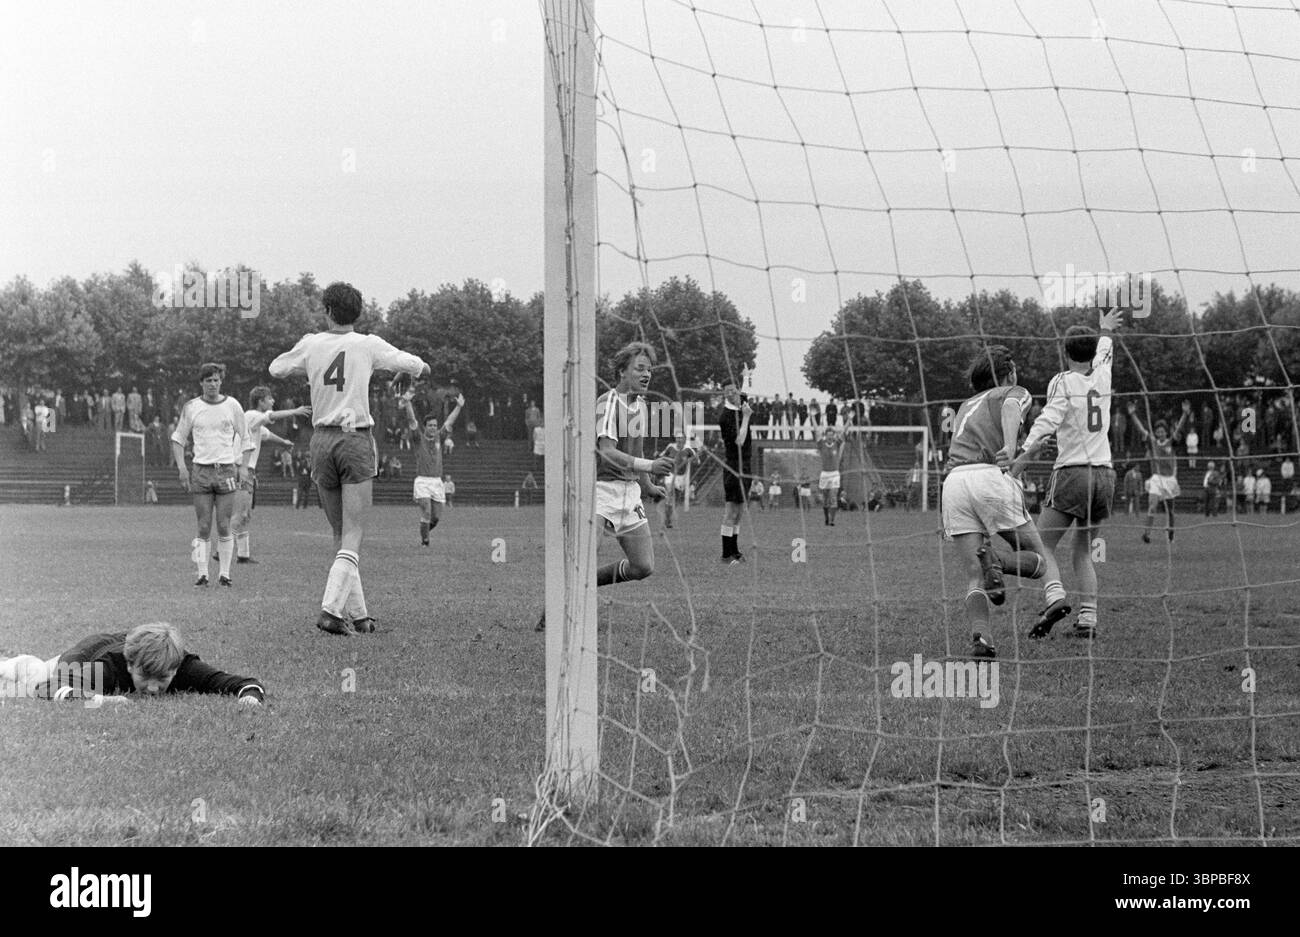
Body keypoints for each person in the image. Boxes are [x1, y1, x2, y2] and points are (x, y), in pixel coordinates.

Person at [269, 281, 429, 636]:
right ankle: (330, 610)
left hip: (320, 440)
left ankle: (359, 616)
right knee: (354, 533)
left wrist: (308, 366)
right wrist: (401, 370)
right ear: (357, 312)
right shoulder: (368, 344)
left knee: (340, 533)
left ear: (327, 310)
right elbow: (420, 366)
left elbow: (276, 368)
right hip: (354, 439)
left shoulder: (311, 343)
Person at [536, 342, 674, 632]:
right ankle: (556, 611)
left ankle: (583, 589)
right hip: (598, 490)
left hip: (628, 492)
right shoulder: (609, 402)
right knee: (585, 557)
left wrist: (647, 485)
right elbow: (608, 451)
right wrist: (649, 466)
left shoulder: (641, 406)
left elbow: (635, 448)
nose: (646, 374)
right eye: (640, 368)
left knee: (643, 567)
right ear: (622, 371)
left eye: (649, 369)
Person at [946, 346, 1064, 658]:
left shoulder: (965, 406)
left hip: (954, 483)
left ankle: (982, 639)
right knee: (1039, 560)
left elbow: (992, 463)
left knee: (974, 572)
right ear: (1008, 372)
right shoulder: (1014, 391)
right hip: (989, 480)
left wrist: (1028, 453)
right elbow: (1012, 409)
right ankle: (999, 562)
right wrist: (1013, 446)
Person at [1011, 309, 1121, 640]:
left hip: (1074, 472)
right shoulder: (1103, 375)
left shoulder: (1062, 382)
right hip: (1105, 476)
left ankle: (1055, 597)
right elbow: (1105, 350)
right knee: (1083, 550)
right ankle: (1088, 619)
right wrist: (1105, 330)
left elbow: (1047, 420)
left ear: (1065, 351)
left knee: (1041, 544)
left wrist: (1024, 453)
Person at [2, 622, 264, 705]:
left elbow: (241, 683)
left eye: (162, 679)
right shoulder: (107, 670)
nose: (152, 688)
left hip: (125, 644)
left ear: (174, 669)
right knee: (35, 676)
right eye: (145, 677)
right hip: (90, 650)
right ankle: (9, 664)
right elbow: (48, 689)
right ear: (130, 666)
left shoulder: (182, 666)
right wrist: (101, 700)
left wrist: (250, 696)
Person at [170, 363, 249, 587]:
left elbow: (246, 437)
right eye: (208, 380)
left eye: (216, 380)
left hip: (225, 470)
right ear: (201, 383)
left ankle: (225, 574)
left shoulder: (232, 405)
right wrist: (182, 468)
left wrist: (242, 466)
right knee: (203, 525)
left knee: (224, 524)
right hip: (201, 471)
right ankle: (202, 574)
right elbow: (178, 439)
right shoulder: (192, 407)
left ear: (221, 381)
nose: (213, 384)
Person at [231, 386, 309, 565]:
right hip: (241, 469)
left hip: (247, 471)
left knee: (245, 515)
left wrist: (283, 442)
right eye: (270, 399)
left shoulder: (254, 422)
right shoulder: (251, 415)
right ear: (260, 402)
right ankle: (222, 550)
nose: (272, 402)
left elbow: (266, 435)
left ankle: (243, 555)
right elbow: (271, 416)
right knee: (239, 515)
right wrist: (294, 411)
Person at [404, 391, 463, 545]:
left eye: (435, 425)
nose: (433, 427)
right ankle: (425, 542)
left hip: (437, 481)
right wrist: (407, 403)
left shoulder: (439, 437)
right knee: (427, 511)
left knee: (435, 517)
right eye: (430, 425)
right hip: (422, 481)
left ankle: (424, 532)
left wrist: (458, 407)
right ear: (425, 427)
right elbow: (411, 420)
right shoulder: (418, 438)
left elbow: (449, 422)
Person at [1129, 399, 1191, 542]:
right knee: (1152, 505)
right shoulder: (1152, 443)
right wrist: (1132, 415)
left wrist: (1185, 414)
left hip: (1169, 480)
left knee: (1170, 511)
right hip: (1157, 478)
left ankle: (1171, 534)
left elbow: (1179, 429)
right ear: (1156, 433)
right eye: (1158, 431)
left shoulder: (1171, 442)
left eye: (1162, 431)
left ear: (1165, 432)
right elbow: (1141, 430)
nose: (1160, 433)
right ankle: (1147, 534)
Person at [718, 380, 754, 563]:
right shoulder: (726, 417)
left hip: (746, 465)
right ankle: (726, 554)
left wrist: (746, 377)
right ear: (724, 394)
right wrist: (747, 417)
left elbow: (746, 394)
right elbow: (739, 441)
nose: (732, 394)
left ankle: (735, 551)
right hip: (734, 466)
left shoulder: (741, 406)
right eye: (728, 392)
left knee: (740, 511)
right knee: (731, 510)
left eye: (734, 391)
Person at [816, 426, 845, 526]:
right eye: (828, 435)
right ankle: (826, 518)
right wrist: (812, 417)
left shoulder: (836, 444)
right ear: (826, 436)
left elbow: (843, 431)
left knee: (833, 497)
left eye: (831, 435)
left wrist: (849, 420)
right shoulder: (821, 444)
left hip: (834, 474)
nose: (830, 437)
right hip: (824, 474)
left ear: (833, 436)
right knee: (825, 500)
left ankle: (832, 520)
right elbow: (817, 431)